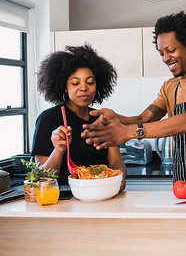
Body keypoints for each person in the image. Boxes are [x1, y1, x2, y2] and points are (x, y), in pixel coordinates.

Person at [81, 11, 186, 191]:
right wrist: (117, 118)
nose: (165, 58)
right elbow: (145, 119)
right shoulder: (169, 87)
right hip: (183, 179)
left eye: (171, 50)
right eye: (161, 52)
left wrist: (129, 132)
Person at [31, 44, 126, 191]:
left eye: (90, 82)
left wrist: (120, 178)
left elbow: (116, 163)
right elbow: (42, 178)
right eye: (75, 83)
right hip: (64, 201)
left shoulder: (102, 119)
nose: (84, 88)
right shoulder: (48, 119)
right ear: (64, 86)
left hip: (103, 194)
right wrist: (58, 150)